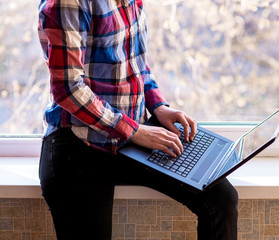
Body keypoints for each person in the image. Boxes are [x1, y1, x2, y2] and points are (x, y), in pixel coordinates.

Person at [37, 0, 238, 239]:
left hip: (130, 135)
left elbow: (133, 61)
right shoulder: (68, 3)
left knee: (220, 198)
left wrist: (158, 105)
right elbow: (68, 89)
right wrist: (136, 132)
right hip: (78, 146)